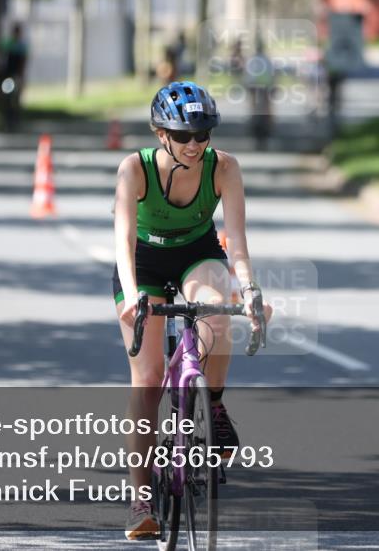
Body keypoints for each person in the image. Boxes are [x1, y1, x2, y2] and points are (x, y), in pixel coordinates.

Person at [113, 80, 270, 540]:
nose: (195, 144)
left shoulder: (223, 168)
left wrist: (250, 289)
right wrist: (132, 295)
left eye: (203, 134)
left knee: (218, 315)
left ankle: (214, 407)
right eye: (183, 136)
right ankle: (141, 499)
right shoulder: (134, 169)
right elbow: (122, 241)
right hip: (141, 262)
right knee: (147, 378)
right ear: (160, 134)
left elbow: (236, 242)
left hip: (196, 252)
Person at [0, 23, 29, 130]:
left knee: (15, 98)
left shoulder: (20, 46)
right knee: (8, 98)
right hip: (8, 76)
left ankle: (15, 119)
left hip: (15, 75)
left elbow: (23, 62)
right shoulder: (8, 44)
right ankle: (8, 119)